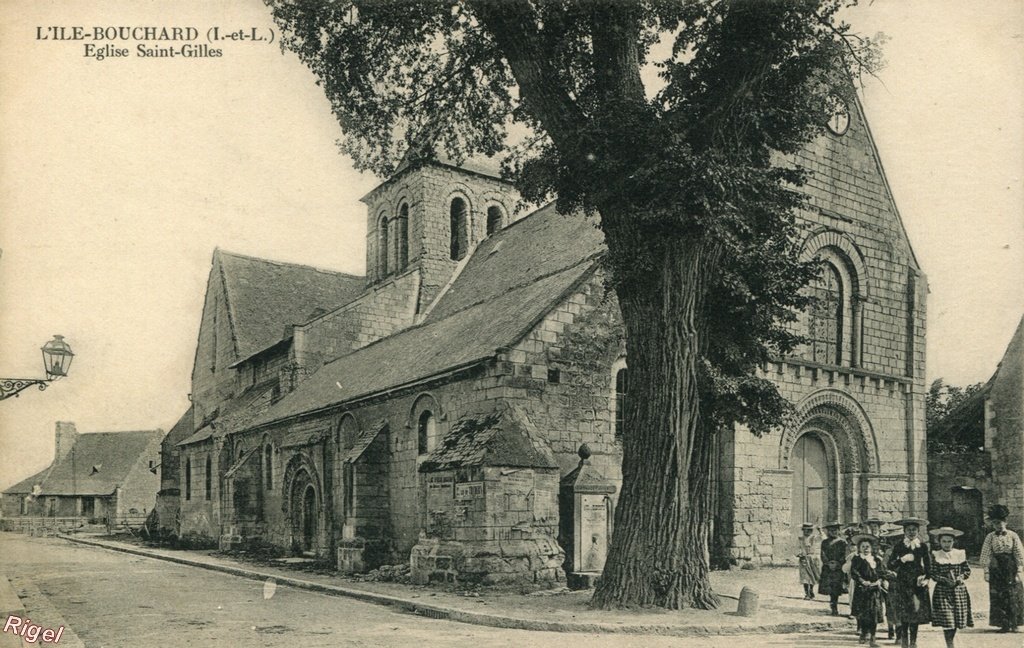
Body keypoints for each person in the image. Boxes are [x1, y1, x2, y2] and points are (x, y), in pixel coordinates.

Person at [978, 504, 1024, 633]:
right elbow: (986, 553)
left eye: (1000, 523)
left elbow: (1018, 552)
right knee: (998, 594)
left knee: (1013, 594)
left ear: (1005, 522)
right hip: (996, 568)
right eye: (995, 523)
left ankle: (1014, 623)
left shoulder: (1013, 535)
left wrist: (1019, 569)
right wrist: (986, 571)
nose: (998, 525)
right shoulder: (990, 537)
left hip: (1010, 567)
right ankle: (1003, 623)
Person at [886, 517, 931, 648]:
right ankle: (904, 642)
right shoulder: (899, 546)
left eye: (914, 530)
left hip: (917, 584)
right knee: (904, 613)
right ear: (904, 531)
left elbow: (928, 566)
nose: (911, 532)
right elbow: (891, 565)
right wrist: (902, 560)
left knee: (915, 612)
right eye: (909, 530)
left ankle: (913, 642)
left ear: (918, 531)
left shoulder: (922, 546)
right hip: (903, 583)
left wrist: (926, 578)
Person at [929, 527, 972, 648]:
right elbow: (933, 573)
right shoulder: (936, 555)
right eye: (944, 541)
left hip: (958, 590)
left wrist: (960, 578)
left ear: (954, 542)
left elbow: (967, 571)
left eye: (949, 541)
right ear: (939, 542)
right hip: (943, 591)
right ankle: (950, 645)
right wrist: (944, 580)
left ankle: (951, 643)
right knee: (947, 619)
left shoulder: (959, 554)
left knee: (956, 620)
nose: (947, 544)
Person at [850, 534, 886, 647]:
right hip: (862, 590)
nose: (866, 549)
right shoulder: (857, 559)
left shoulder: (876, 559)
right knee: (864, 613)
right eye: (863, 546)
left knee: (874, 613)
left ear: (871, 548)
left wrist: (879, 580)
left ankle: (873, 638)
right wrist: (862, 581)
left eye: (868, 547)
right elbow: (854, 572)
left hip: (874, 590)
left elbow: (881, 572)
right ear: (859, 548)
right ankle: (864, 633)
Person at [878, 523, 904, 642]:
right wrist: (890, 574)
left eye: (898, 538)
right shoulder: (889, 553)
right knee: (891, 606)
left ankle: (901, 633)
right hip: (892, 582)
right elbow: (883, 568)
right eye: (893, 539)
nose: (896, 541)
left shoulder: (907, 550)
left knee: (902, 608)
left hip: (905, 582)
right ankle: (891, 629)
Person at [820, 521, 848, 616]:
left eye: (835, 530)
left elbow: (844, 555)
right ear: (828, 532)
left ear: (839, 531)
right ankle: (833, 605)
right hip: (828, 568)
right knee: (830, 587)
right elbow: (823, 554)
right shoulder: (825, 542)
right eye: (831, 531)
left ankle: (835, 605)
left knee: (836, 588)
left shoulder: (843, 542)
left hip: (838, 569)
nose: (834, 532)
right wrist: (828, 563)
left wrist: (837, 563)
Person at [797, 522, 821, 600]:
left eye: (809, 530)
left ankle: (811, 591)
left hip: (813, 559)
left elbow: (823, 538)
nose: (807, 532)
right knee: (805, 577)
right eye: (805, 530)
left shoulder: (814, 538)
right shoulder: (800, 539)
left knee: (812, 576)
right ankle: (807, 593)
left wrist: (820, 530)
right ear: (803, 530)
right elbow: (797, 548)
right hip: (803, 559)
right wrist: (799, 553)